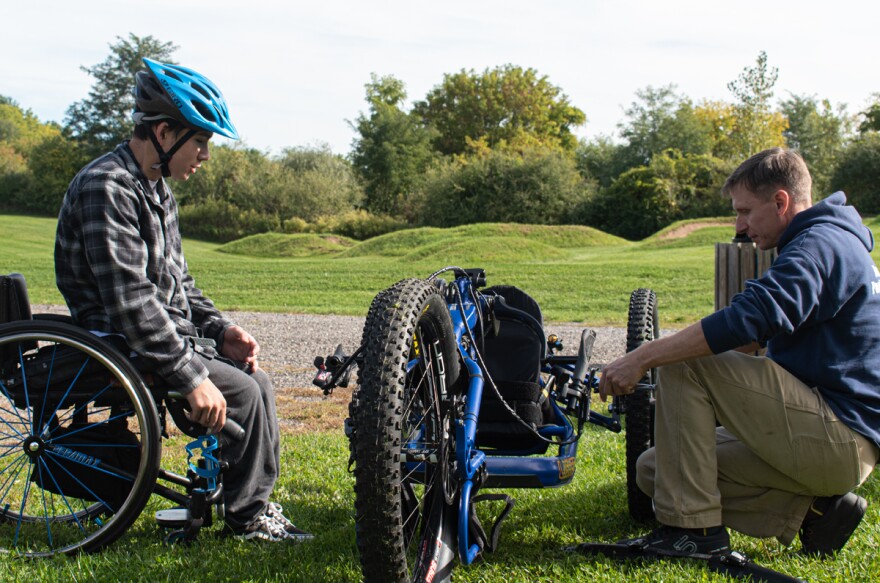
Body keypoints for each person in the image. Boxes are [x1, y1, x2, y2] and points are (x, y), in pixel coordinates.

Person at [55, 58, 312, 543]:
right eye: (200, 141)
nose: (204, 155)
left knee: (257, 382)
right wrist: (189, 376)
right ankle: (247, 519)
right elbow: (130, 301)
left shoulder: (155, 191)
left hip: (155, 336)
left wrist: (220, 330)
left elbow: (179, 284)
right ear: (164, 131)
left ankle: (251, 505)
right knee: (243, 394)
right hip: (120, 342)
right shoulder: (106, 186)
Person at [597, 147, 880, 557]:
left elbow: (752, 317)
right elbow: (753, 338)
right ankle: (813, 514)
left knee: (684, 360)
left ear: (781, 201)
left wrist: (643, 356)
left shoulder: (819, 244)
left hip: (837, 438)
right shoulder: (829, 240)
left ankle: (691, 534)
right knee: (656, 470)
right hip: (836, 442)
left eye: (745, 211)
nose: (740, 226)